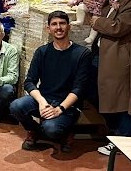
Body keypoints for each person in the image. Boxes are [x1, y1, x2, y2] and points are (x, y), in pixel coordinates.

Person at [10, 11, 92, 153]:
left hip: (68, 106)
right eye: (54, 24)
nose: (58, 27)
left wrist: (60, 109)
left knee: (51, 129)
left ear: (69, 27)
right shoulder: (42, 52)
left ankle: (66, 131)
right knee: (16, 106)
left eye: (62, 23)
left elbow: (79, 88)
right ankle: (34, 131)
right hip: (45, 100)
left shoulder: (82, 54)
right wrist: (42, 102)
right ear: (48, 29)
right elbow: (29, 82)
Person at [89, 0, 131, 155]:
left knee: (119, 99)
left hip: (119, 56)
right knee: (96, 92)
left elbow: (117, 28)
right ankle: (114, 132)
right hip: (102, 54)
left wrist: (96, 22)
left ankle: (123, 138)